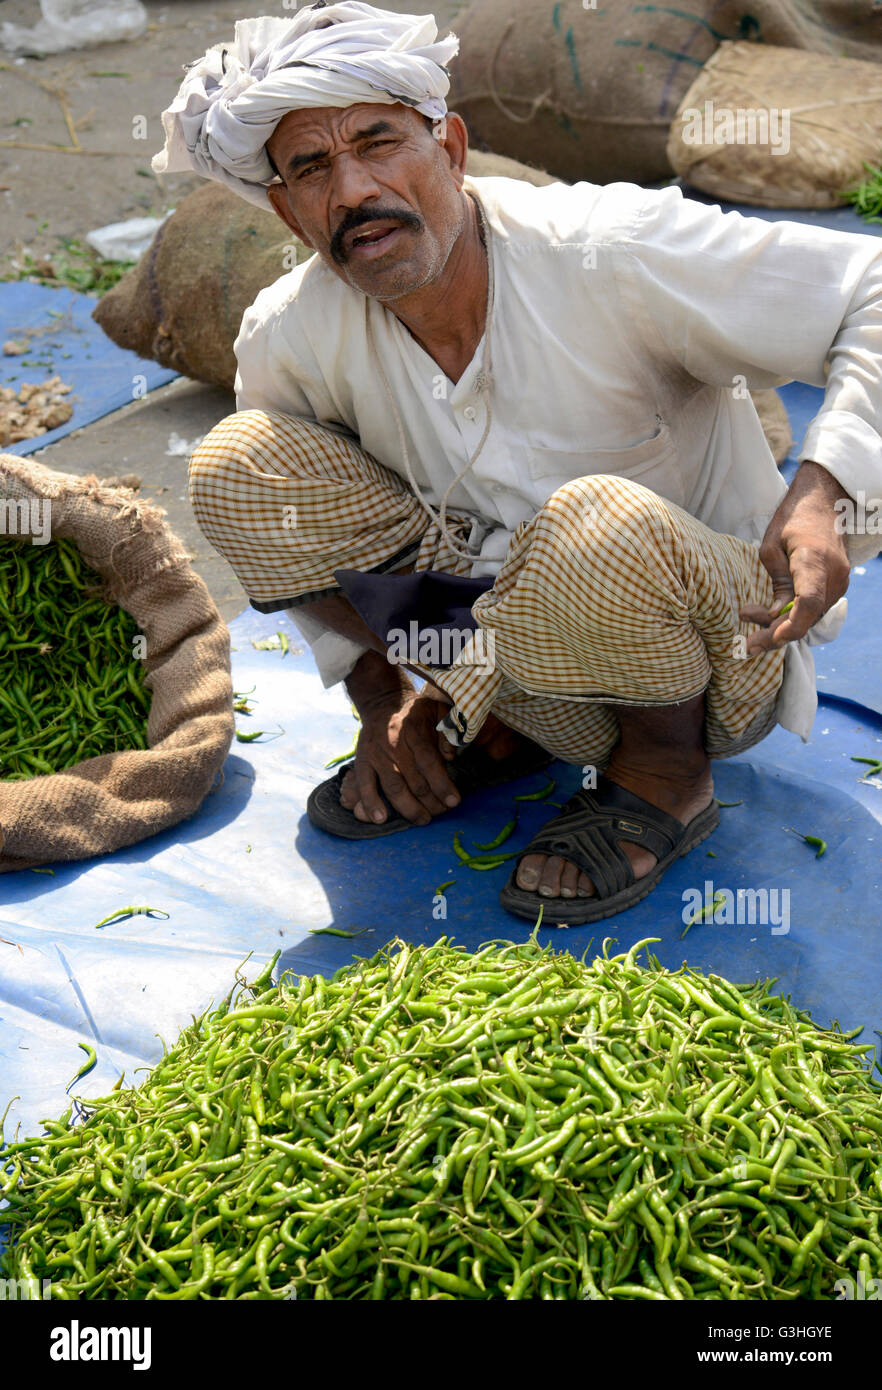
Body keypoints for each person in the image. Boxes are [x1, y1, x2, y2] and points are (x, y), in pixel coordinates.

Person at [154, 1, 882, 925]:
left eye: (380, 144)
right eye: (310, 169)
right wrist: (380, 696)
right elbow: (298, 516)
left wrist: (825, 495)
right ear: (292, 215)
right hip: (500, 649)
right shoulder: (292, 336)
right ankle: (491, 721)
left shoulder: (608, 251)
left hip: (715, 653)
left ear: (451, 151)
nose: (351, 191)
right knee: (238, 463)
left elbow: (871, 289)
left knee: (591, 526)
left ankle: (663, 774)